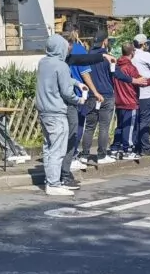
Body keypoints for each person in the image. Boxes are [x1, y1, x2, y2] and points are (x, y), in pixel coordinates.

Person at [36, 34, 87, 196]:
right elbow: (66, 91)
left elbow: (55, 80)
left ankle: (49, 179)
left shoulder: (43, 63)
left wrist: (76, 82)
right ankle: (54, 183)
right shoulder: (62, 65)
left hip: (44, 111)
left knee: (48, 147)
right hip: (57, 112)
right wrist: (79, 99)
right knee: (58, 149)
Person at [111, 43, 150, 160]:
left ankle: (116, 148)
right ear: (132, 52)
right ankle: (128, 149)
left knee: (120, 126)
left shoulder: (117, 66)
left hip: (119, 100)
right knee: (130, 126)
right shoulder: (131, 68)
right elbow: (142, 82)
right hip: (130, 101)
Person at [80, 32, 117, 165]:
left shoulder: (87, 56)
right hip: (106, 95)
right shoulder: (108, 58)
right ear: (104, 41)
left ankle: (84, 154)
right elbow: (115, 74)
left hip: (92, 95)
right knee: (104, 126)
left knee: (89, 126)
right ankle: (101, 155)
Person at [66, 29, 96, 173]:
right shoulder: (80, 50)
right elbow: (85, 74)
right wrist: (95, 92)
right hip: (79, 93)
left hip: (64, 94)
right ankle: (72, 156)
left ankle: (66, 156)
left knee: (66, 127)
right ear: (76, 33)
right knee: (77, 126)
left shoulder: (61, 51)